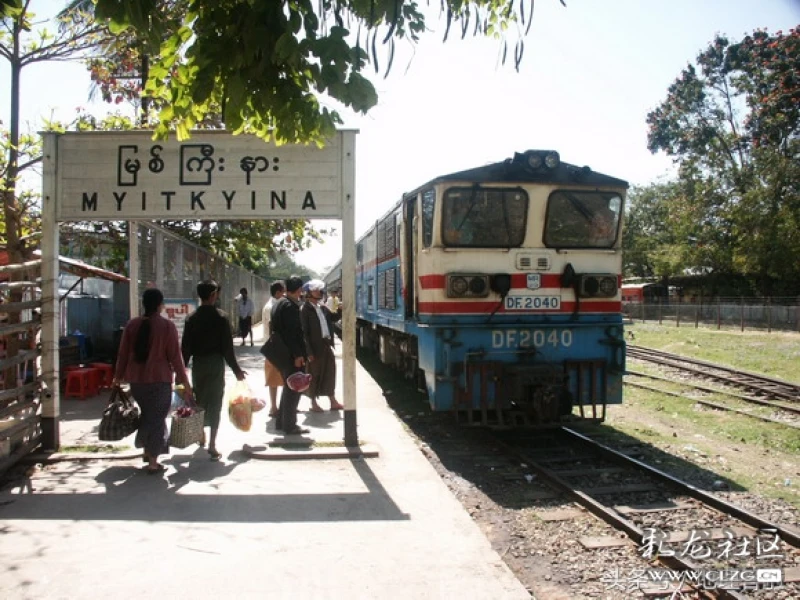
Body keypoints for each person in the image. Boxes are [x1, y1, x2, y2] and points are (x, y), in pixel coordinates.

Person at [113, 288, 193, 474]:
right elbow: (175, 358)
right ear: (160, 305)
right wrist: (185, 382)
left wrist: (117, 377)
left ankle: (148, 450)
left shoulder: (132, 325)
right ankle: (153, 462)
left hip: (137, 382)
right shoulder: (167, 327)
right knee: (156, 419)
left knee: (148, 415)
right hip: (160, 381)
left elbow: (122, 354)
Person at [182, 280, 246, 460]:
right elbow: (227, 349)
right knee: (215, 402)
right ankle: (212, 444)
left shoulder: (191, 318)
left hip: (199, 365)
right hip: (216, 364)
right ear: (212, 295)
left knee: (199, 400)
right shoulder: (221, 317)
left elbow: (185, 348)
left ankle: (200, 433)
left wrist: (181, 372)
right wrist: (236, 370)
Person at [270, 275, 308, 435]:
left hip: (280, 352)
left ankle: (282, 422)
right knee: (294, 388)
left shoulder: (278, 303)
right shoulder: (290, 307)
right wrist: (298, 354)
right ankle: (290, 425)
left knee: (288, 386)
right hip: (291, 354)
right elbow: (292, 333)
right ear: (299, 290)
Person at [300, 280, 344, 413]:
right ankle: (313, 403)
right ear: (309, 293)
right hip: (314, 348)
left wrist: (340, 310)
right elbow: (304, 333)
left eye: (319, 290)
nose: (319, 292)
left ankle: (333, 401)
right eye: (316, 290)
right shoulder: (304, 310)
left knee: (330, 372)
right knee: (313, 375)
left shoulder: (322, 307)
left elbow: (333, 318)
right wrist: (309, 352)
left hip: (325, 345)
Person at [261, 280, 286, 418]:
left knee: (277, 379)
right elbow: (273, 328)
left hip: (273, 347)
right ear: (277, 292)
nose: (284, 294)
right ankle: (274, 407)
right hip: (274, 348)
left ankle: (278, 406)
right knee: (274, 380)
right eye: (282, 292)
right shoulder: (272, 307)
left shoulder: (271, 305)